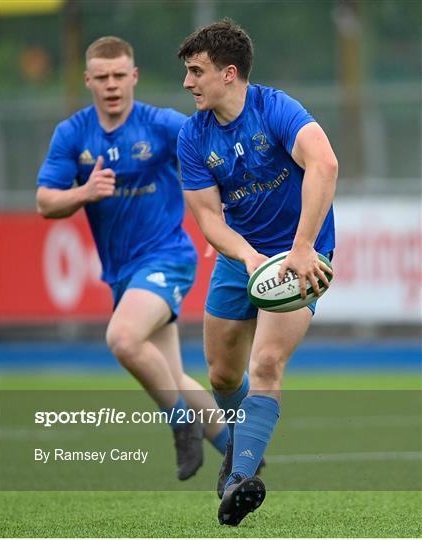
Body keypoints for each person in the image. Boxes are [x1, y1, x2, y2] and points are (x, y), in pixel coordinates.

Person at [36, 36, 230, 482]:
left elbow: (210, 158)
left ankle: (181, 424)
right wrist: (84, 193)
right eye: (102, 77)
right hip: (123, 273)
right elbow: (46, 202)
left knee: (123, 339)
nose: (112, 85)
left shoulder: (161, 124)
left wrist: (218, 222)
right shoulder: (72, 134)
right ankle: (242, 456)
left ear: (134, 77)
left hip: (168, 256)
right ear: (88, 81)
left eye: (120, 75)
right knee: (173, 377)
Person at [177, 19, 337, 525]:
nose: (188, 83)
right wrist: (246, 257)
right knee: (223, 374)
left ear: (229, 73)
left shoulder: (275, 108)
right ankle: (245, 444)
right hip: (240, 255)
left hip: (300, 257)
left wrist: (303, 246)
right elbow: (206, 217)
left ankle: (241, 477)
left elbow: (325, 164)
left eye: (196, 71)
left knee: (266, 363)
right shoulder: (193, 135)